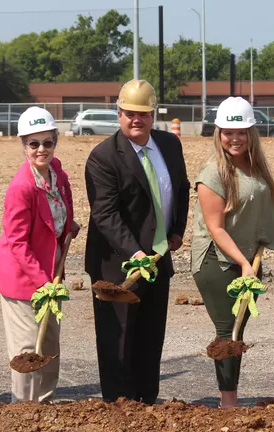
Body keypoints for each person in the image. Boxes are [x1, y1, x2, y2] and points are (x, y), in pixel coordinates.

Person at [84, 79, 190, 404]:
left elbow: (182, 189)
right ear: (118, 114)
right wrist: (137, 254)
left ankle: (147, 403)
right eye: (129, 113)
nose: (136, 120)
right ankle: (119, 406)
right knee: (119, 340)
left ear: (153, 115)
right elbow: (106, 215)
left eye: (143, 114)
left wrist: (176, 231)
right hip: (117, 264)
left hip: (157, 261)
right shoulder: (103, 157)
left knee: (149, 336)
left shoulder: (170, 145)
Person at [191, 97, 274, 408]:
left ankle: (230, 398)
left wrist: (254, 257)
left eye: (241, 131)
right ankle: (228, 404)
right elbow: (216, 228)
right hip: (217, 260)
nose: (235, 138)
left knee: (237, 328)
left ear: (251, 132)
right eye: (228, 132)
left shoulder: (254, 168)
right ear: (219, 133)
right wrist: (244, 263)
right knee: (229, 330)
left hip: (246, 261)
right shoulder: (213, 173)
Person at [0, 107, 80, 402]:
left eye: (47, 142)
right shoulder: (21, 188)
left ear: (56, 142)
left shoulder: (56, 171)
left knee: (49, 344)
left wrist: (69, 225)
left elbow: (64, 203)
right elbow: (17, 242)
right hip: (23, 279)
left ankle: (44, 404)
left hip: (50, 273)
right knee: (28, 349)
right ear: (24, 146)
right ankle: (24, 408)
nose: (41, 149)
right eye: (34, 143)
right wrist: (43, 281)